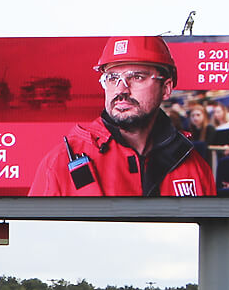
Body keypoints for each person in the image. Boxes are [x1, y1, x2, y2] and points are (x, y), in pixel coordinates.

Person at [27, 36, 216, 197]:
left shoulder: (194, 166)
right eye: (112, 78)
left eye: (137, 77)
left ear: (166, 88)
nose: (121, 89)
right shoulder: (59, 164)